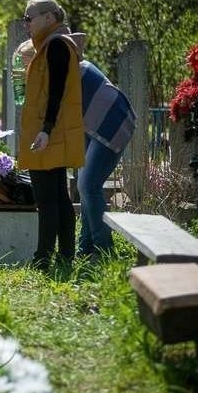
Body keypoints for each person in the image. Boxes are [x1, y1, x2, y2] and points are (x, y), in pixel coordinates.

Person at [15, 35, 137, 261]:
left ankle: (103, 250)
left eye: (26, 64)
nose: (25, 71)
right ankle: (86, 247)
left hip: (111, 124)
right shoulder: (62, 68)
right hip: (91, 127)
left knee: (88, 185)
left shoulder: (62, 71)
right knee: (85, 186)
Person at [18, 0, 84, 269]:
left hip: (47, 134)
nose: (26, 25)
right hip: (48, 132)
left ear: (48, 17)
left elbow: (56, 92)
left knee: (46, 199)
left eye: (28, 18)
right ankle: (66, 255)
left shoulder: (56, 45)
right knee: (58, 196)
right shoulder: (50, 44)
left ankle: (42, 258)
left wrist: (45, 131)